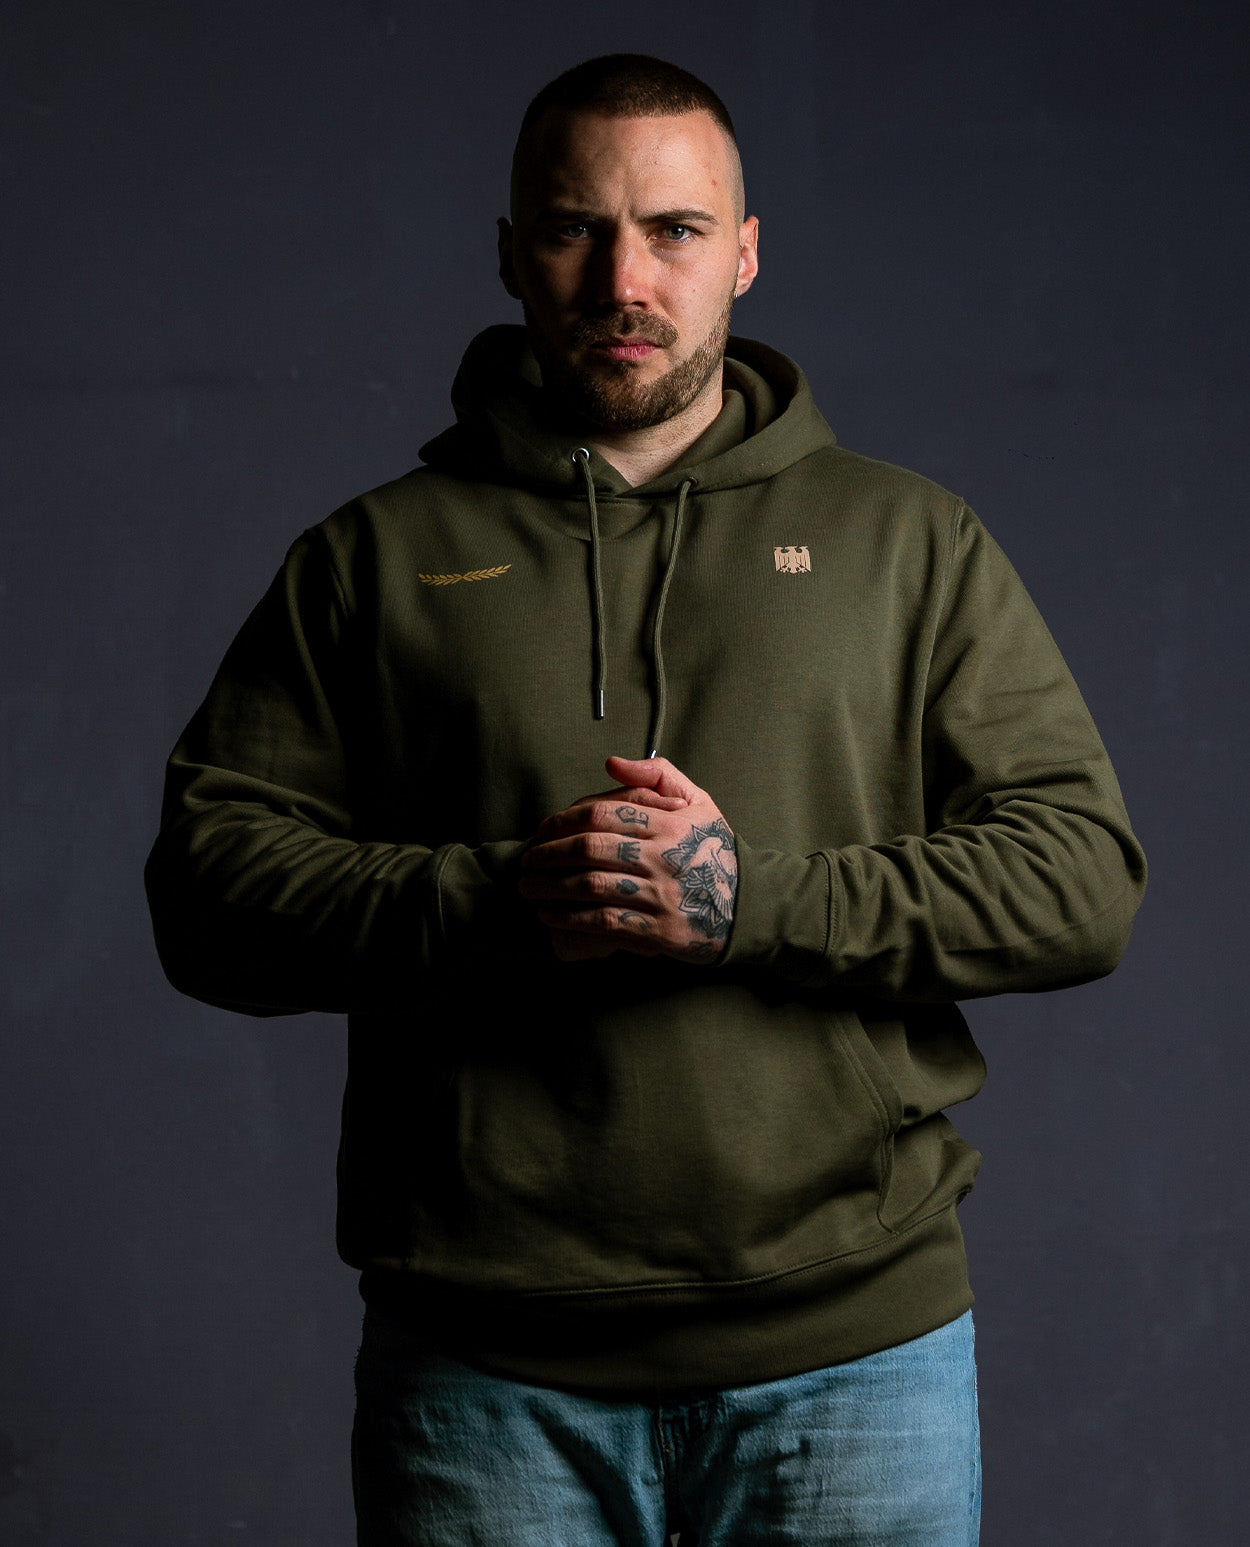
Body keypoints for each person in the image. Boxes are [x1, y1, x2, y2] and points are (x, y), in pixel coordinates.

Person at [145, 52, 1146, 1547]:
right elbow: (206, 894)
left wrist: (752, 903)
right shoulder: (373, 557)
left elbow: (1081, 881)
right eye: (575, 229)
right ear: (509, 253)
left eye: (675, 229)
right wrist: (502, 898)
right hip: (483, 1368)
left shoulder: (906, 541)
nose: (625, 278)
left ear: (744, 253)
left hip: (854, 1357)